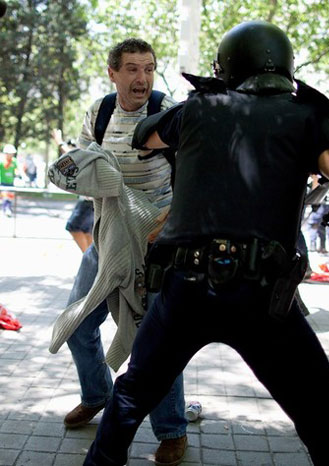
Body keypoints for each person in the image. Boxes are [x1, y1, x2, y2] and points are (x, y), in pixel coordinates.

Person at [83, 20, 329, 466]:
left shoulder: (198, 109)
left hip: (184, 291)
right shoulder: (306, 119)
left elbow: (145, 137)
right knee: (328, 422)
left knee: (129, 400)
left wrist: (197, 113)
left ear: (226, 69)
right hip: (262, 301)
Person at [60, 38, 188, 465]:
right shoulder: (98, 113)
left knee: (158, 339)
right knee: (78, 323)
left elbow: (192, 174)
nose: (141, 78)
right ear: (112, 73)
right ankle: (98, 395)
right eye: (132, 69)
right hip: (109, 236)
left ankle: (171, 430)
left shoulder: (167, 112)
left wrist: (167, 219)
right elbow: (84, 166)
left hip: (157, 243)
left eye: (148, 68)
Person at [51, 129, 94, 253]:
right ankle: (90, 260)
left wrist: (59, 142)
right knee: (87, 232)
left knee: (73, 226)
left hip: (88, 201)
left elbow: (71, 156)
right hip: (90, 200)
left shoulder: (89, 153)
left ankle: (88, 258)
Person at [0, 144, 18, 217]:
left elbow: (16, 169)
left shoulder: (14, 161)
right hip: (3, 182)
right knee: (5, 197)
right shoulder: (1, 161)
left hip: (11, 182)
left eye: (12, 153)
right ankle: (6, 209)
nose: (12, 155)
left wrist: (18, 175)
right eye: (10, 153)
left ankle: (8, 209)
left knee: (10, 197)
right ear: (6, 153)